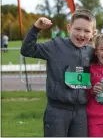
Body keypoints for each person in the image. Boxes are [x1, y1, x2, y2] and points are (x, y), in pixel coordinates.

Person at [20, 9, 97, 137]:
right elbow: (27, 50)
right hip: (57, 111)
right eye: (77, 29)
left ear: (93, 33)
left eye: (87, 31)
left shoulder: (91, 52)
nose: (81, 34)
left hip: (81, 112)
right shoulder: (55, 45)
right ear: (69, 28)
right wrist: (35, 29)